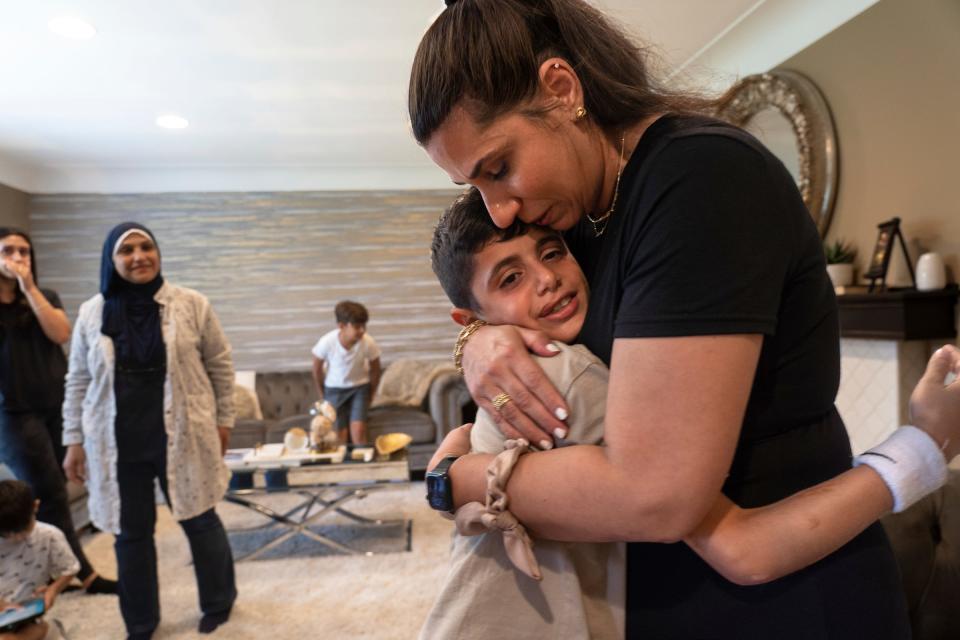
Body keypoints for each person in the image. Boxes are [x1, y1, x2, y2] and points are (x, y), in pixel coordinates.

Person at [409, 1, 960, 636]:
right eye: (473, 188)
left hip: (781, 604)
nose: (498, 210)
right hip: (652, 598)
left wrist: (458, 479)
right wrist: (480, 339)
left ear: (561, 90)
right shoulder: (572, 219)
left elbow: (655, 495)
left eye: (499, 168)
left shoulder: (700, 181)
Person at [420, 188, 960, 638]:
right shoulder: (572, 378)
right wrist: (925, 444)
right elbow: (747, 551)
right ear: (469, 316)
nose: (547, 279)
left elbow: (459, 450)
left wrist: (449, 473)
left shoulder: (538, 364)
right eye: (510, 278)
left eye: (553, 252)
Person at [61, 222, 237, 640]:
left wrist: (223, 420)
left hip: (183, 433)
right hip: (116, 443)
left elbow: (220, 364)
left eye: (146, 247)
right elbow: (77, 380)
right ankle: (140, 622)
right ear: (112, 259)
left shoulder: (191, 304)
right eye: (127, 250)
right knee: (131, 534)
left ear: (157, 253)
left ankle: (218, 603)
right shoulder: (92, 312)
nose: (139, 256)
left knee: (200, 519)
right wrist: (72, 440)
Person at [0, 227, 116, 596]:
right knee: (49, 491)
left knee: (62, 485)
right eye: (8, 251)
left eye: (24, 252)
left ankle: (53, 574)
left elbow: (61, 333)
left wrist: (28, 287)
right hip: (13, 415)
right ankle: (86, 574)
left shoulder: (42, 296)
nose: (18, 258)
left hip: (56, 406)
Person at [0, 480, 77, 640]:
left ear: (36, 506)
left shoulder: (49, 536)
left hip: (24, 613)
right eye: (7, 533)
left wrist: (53, 589)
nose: (17, 537)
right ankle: (44, 632)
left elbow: (70, 569)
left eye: (23, 529)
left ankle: (44, 629)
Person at [310, 300, 382, 445]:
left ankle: (363, 464)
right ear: (342, 326)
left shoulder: (368, 342)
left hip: (360, 388)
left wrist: (372, 393)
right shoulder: (327, 342)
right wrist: (322, 394)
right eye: (357, 326)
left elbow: (375, 368)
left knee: (359, 431)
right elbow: (316, 369)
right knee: (339, 434)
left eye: (364, 326)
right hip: (334, 389)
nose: (362, 330)